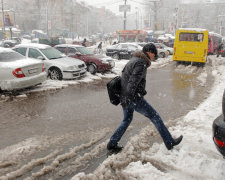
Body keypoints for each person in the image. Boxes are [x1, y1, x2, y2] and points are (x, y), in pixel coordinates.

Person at [107, 43, 183, 153]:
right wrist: (132, 97)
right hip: (133, 98)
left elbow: (127, 78)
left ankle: (112, 143)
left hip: (125, 97)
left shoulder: (134, 60)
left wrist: (134, 94)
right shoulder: (141, 63)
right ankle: (169, 142)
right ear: (149, 52)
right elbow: (133, 82)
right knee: (155, 116)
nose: (154, 57)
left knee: (126, 120)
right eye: (154, 54)